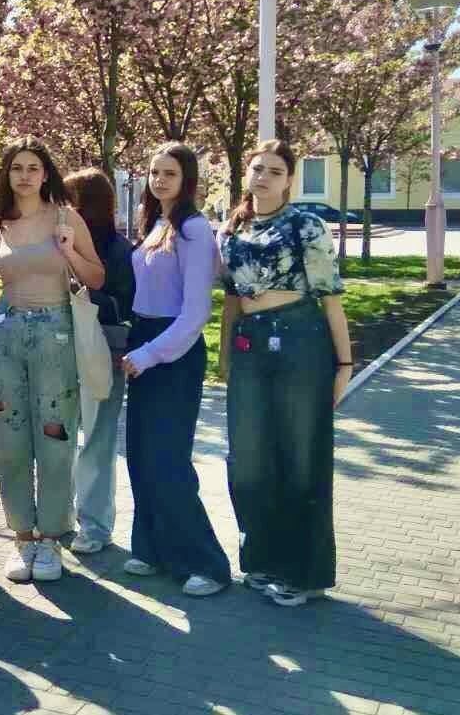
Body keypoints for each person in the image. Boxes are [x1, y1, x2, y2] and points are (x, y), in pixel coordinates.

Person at [219, 139, 354, 607]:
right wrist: (224, 358)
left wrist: (344, 364)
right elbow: (231, 300)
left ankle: (304, 573)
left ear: (289, 181)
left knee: (301, 458)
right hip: (249, 347)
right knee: (250, 459)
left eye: (275, 172)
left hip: (300, 341)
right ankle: (262, 560)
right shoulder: (232, 228)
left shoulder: (305, 225)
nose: (264, 178)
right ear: (246, 173)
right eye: (258, 169)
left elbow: (330, 297)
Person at [0, 136, 104, 583]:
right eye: (16, 168)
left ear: (46, 173)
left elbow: (97, 276)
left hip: (56, 336)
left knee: (55, 437)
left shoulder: (66, 217)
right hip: (7, 337)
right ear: (6, 176)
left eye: (32, 167)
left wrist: (68, 250)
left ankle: (50, 537)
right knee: (9, 442)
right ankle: (22, 536)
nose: (24, 176)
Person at [118, 143, 231, 596]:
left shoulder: (194, 230)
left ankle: (206, 564)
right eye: (154, 172)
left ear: (187, 180)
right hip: (144, 340)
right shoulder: (156, 223)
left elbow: (196, 313)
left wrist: (149, 355)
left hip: (173, 353)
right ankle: (152, 549)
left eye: (170, 173)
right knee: (141, 454)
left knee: (168, 460)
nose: (160, 180)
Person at [63, 167, 135, 556]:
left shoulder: (117, 249)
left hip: (104, 345)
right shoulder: (61, 241)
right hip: (64, 343)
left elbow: (124, 303)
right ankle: (62, 515)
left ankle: (94, 525)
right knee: (61, 435)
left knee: (97, 439)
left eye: (68, 200)